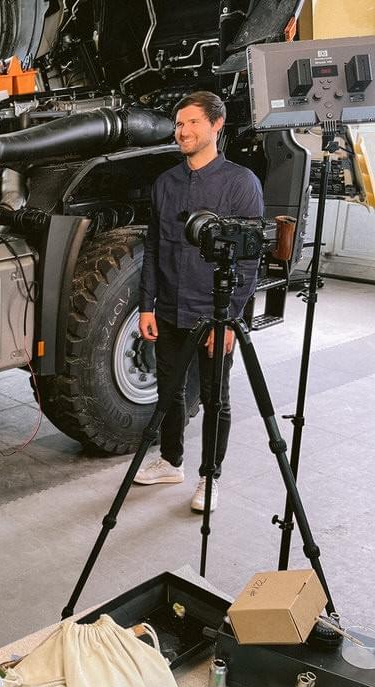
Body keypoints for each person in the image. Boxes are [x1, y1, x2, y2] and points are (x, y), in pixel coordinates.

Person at [134, 91, 264, 513]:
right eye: (178, 124)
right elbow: (153, 248)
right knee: (169, 390)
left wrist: (228, 320)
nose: (183, 131)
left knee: (215, 398)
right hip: (169, 308)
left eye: (191, 122)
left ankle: (210, 478)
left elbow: (249, 260)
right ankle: (172, 461)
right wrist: (147, 305)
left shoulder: (241, 183)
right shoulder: (165, 183)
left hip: (213, 313)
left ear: (216, 125)